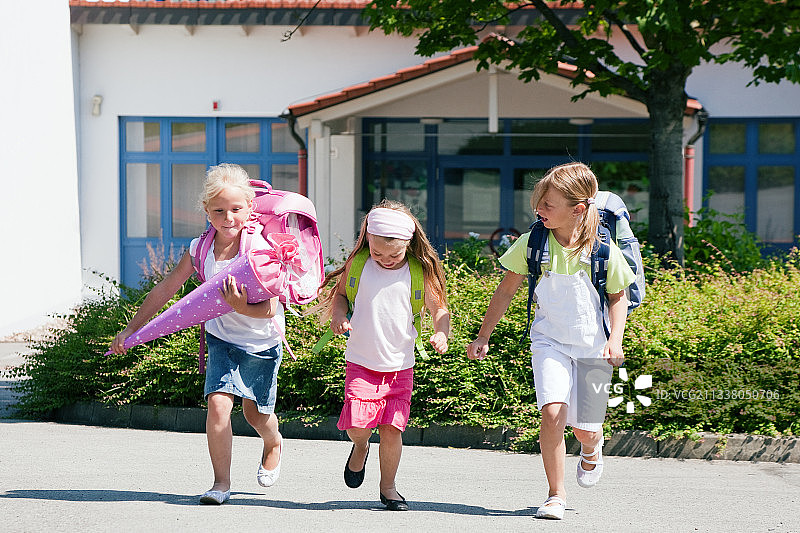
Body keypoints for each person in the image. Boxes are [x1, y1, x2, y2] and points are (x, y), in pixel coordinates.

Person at [467, 162, 635, 521]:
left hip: (594, 346)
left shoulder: (602, 249)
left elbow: (618, 296)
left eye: (547, 205)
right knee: (552, 413)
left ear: (578, 210)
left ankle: (593, 448)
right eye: (538, 202)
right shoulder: (535, 241)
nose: (538, 210)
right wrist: (484, 334)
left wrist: (615, 340)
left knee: (585, 430)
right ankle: (555, 495)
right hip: (550, 342)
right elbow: (506, 290)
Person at [110, 164, 285, 506]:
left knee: (255, 415)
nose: (228, 217)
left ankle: (273, 442)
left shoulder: (261, 249)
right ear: (206, 211)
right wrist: (133, 328)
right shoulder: (199, 249)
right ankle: (221, 484)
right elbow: (166, 289)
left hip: (261, 342)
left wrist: (240, 305)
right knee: (218, 405)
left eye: (236, 209)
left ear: (250, 209)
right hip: (222, 340)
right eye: (219, 210)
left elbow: (269, 310)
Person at [313, 199, 450, 511]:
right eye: (378, 253)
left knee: (392, 430)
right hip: (362, 362)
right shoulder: (359, 265)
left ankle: (388, 488)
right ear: (367, 241)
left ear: (409, 244)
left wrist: (441, 331)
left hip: (401, 367)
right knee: (358, 427)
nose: (385, 260)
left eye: (394, 254)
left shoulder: (418, 272)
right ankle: (360, 446)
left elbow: (439, 309)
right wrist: (338, 316)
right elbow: (342, 297)